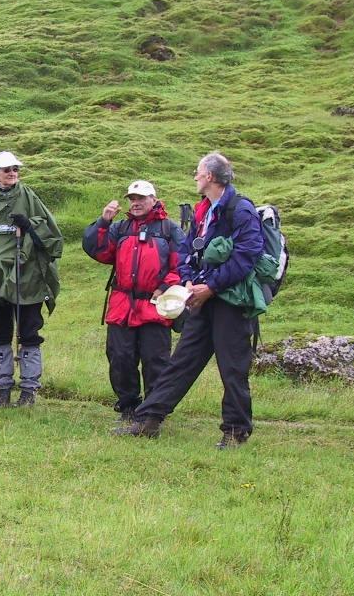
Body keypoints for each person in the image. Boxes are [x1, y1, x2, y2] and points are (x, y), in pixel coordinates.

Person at [118, 153, 263, 448]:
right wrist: (189, 281)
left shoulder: (241, 210)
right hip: (201, 299)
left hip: (231, 303)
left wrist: (209, 286)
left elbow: (247, 256)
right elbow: (186, 250)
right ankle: (149, 420)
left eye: (197, 172)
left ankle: (236, 431)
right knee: (181, 361)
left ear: (209, 176)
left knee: (232, 367)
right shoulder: (203, 210)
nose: (195, 177)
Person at [0, 151, 63, 408]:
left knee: (29, 333)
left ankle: (29, 392)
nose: (12, 173)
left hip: (27, 280)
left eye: (15, 169)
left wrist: (29, 226)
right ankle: (2, 390)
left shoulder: (29, 197)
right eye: (6, 169)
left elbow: (51, 234)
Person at [82, 179, 185, 423]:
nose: (136, 203)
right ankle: (128, 407)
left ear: (153, 199)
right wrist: (103, 222)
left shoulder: (169, 229)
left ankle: (152, 413)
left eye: (141, 198)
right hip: (122, 306)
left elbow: (181, 264)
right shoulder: (120, 228)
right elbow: (97, 250)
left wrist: (164, 287)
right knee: (120, 358)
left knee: (156, 361)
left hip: (155, 306)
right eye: (132, 199)